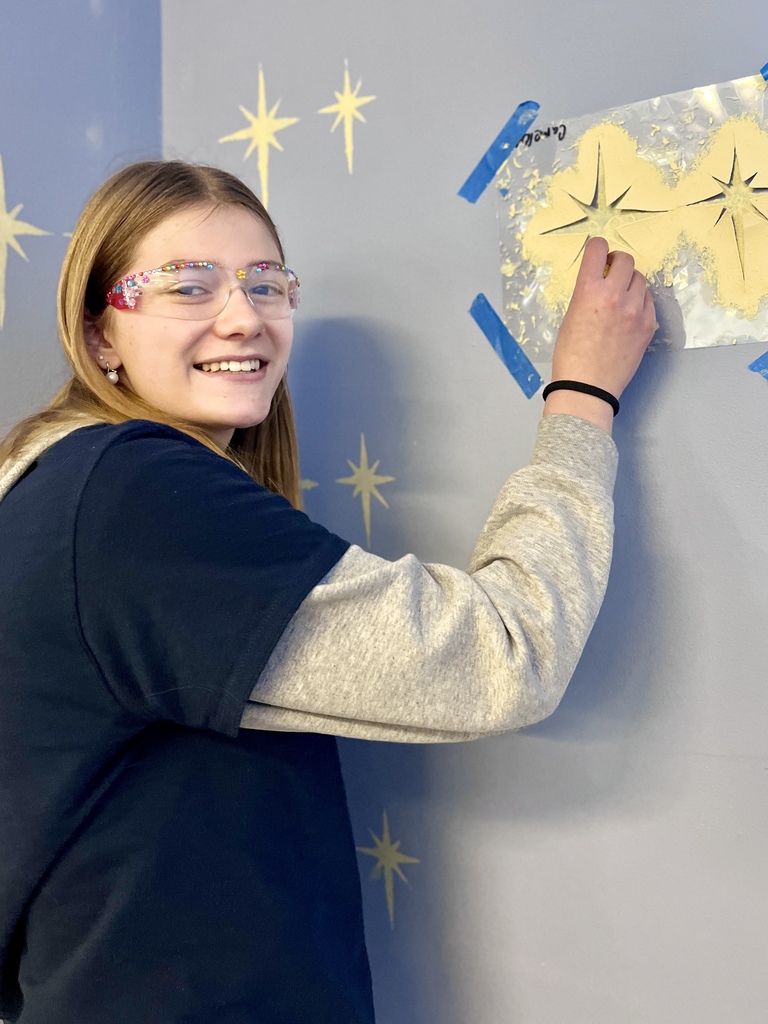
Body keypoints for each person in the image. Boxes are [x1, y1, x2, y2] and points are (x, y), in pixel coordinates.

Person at [0, 160, 655, 1024]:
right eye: (187, 285)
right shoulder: (131, 493)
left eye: (266, 282)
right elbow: (505, 655)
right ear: (98, 338)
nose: (244, 316)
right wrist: (583, 399)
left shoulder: (55, 492)